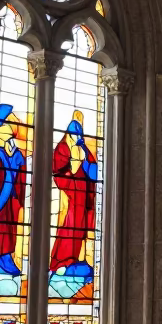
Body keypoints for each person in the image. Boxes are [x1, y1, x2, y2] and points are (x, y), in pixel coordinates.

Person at [49, 110, 97, 299]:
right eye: (75, 134)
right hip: (71, 192)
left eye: (80, 134)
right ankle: (60, 262)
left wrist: (84, 155)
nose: (78, 137)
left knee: (80, 228)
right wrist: (73, 173)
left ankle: (73, 261)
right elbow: (58, 169)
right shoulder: (62, 147)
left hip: (82, 193)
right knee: (70, 227)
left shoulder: (81, 146)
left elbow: (92, 167)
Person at [0, 103, 26, 294]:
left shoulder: (11, 153)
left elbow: (16, 176)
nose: (11, 139)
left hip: (8, 201)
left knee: (8, 227)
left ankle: (4, 258)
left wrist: (17, 162)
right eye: (8, 135)